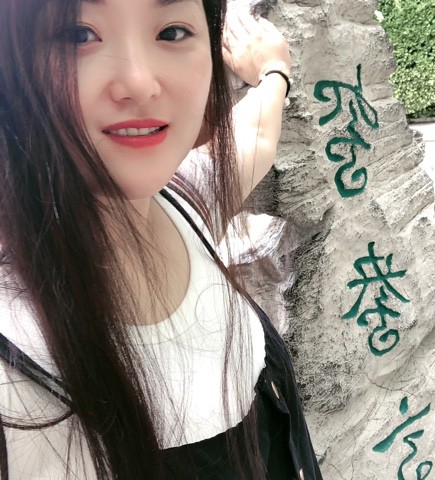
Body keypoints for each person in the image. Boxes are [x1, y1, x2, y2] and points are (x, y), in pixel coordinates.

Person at [0, 0, 323, 478]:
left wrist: (274, 70)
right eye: (76, 35)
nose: (140, 82)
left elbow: (253, 138)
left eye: (172, 32)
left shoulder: (182, 205)